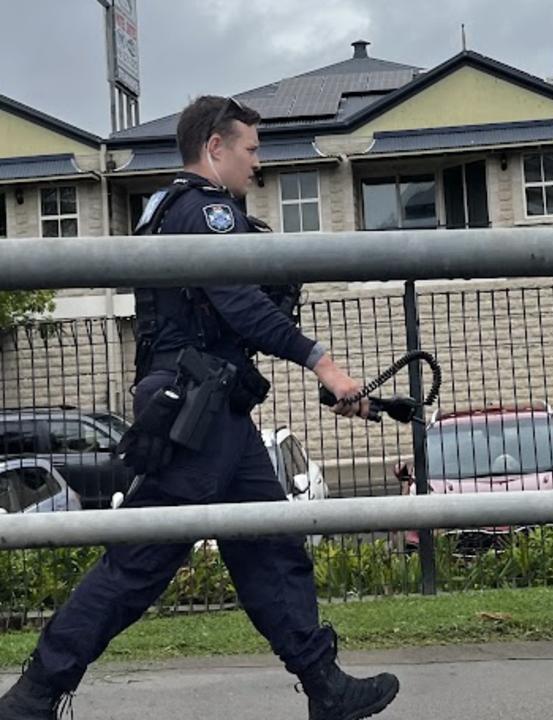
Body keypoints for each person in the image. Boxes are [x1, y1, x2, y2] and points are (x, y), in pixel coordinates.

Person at [0, 96, 400, 720]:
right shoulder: (206, 210)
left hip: (211, 411)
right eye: (251, 148)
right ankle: (35, 694)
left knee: (270, 544)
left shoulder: (166, 208)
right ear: (215, 146)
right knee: (139, 562)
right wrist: (321, 361)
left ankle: (326, 687)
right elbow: (238, 301)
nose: (257, 163)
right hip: (199, 414)